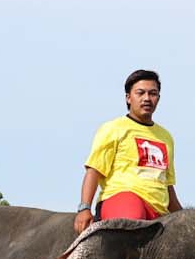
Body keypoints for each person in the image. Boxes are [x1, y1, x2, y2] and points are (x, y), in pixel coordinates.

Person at [70, 70, 181, 238]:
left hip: (158, 208)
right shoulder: (114, 128)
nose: (147, 98)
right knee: (133, 222)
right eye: (140, 93)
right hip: (123, 197)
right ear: (128, 98)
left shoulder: (166, 137)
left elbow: (167, 185)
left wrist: (183, 218)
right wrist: (84, 208)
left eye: (153, 93)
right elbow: (94, 170)